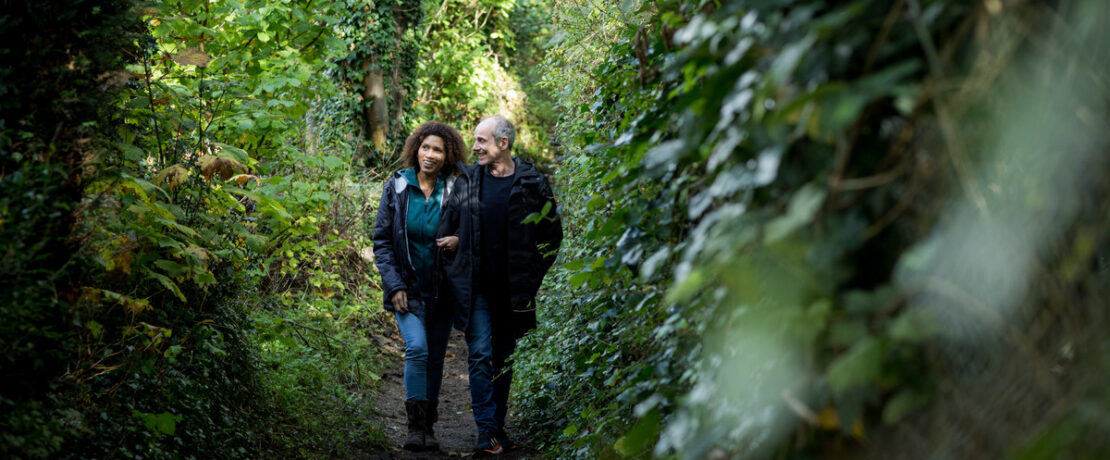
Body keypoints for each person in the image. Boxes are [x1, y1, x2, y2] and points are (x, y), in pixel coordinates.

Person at [440, 115, 563, 456]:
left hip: (513, 293)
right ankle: (486, 433)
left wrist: (530, 277)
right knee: (479, 354)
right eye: (476, 140)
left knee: (503, 359)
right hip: (476, 288)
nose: (474, 147)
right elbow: (447, 228)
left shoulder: (532, 183)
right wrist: (456, 244)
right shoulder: (467, 181)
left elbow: (551, 236)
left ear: (503, 144)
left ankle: (496, 428)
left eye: (481, 141)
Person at [372, 121, 465, 451]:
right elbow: (382, 242)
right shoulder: (396, 186)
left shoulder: (455, 189)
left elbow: (474, 230)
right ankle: (414, 427)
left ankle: (429, 427)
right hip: (406, 291)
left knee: (437, 359)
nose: (431, 154)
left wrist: (460, 240)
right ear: (416, 149)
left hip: (443, 292)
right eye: (426, 147)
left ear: (447, 154)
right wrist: (394, 285)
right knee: (418, 348)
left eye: (438, 149)